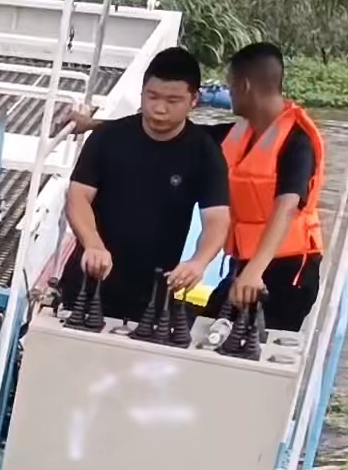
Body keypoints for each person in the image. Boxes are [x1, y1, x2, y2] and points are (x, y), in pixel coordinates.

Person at [58, 47, 231, 323]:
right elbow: (78, 197)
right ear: (142, 93)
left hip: (153, 292)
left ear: (194, 100)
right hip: (88, 279)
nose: (160, 108)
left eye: (173, 100)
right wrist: (93, 243)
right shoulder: (107, 138)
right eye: (152, 97)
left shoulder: (205, 153)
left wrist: (199, 261)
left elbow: (216, 219)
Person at [199, 42, 324, 331]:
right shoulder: (242, 131)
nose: (228, 93)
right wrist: (95, 124)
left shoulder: (297, 142)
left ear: (243, 86)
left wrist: (255, 269)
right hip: (244, 265)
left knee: (249, 351)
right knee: (206, 326)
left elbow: (287, 207)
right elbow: (184, 135)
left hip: (287, 272)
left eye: (230, 86)